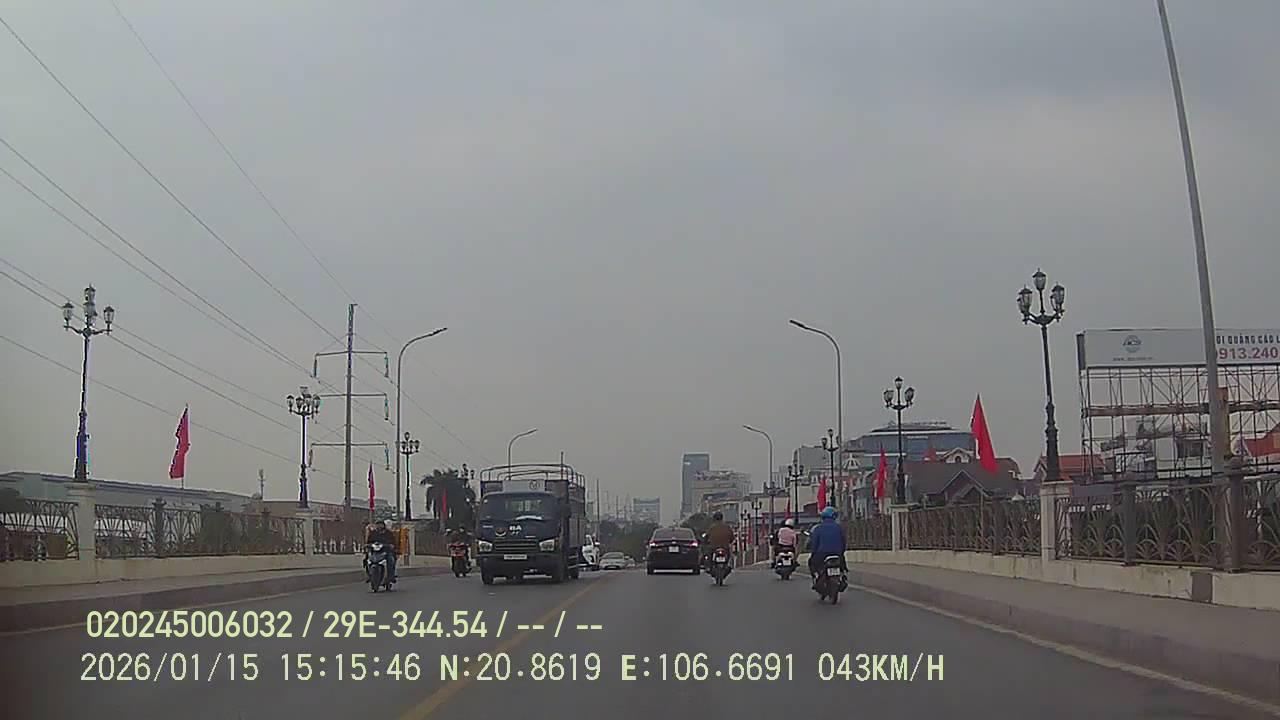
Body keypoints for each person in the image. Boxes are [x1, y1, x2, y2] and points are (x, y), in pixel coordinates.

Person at [806, 507, 847, 579]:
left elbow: (814, 543)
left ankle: (816, 576)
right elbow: (843, 541)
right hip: (837, 553)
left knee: (811, 562)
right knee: (842, 564)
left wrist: (813, 552)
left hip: (822, 554)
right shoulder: (838, 528)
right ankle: (843, 574)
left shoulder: (818, 528)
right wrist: (841, 552)